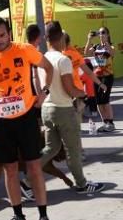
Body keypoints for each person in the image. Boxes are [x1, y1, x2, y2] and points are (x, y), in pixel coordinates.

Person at [0, 16, 58, 220]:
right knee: (9, 169)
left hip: (26, 116)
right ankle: (19, 216)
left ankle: (44, 217)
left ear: (9, 32)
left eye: (2, 35)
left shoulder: (24, 49)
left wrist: (43, 93)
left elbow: (48, 67)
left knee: (35, 167)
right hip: (1, 120)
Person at [40, 22, 106, 193]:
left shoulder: (42, 59)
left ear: (46, 39)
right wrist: (83, 94)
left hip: (47, 108)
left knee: (51, 148)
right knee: (73, 149)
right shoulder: (63, 60)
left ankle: (26, 181)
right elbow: (69, 89)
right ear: (61, 38)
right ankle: (82, 184)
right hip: (63, 108)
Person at [85, 27, 117, 133]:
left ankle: (111, 123)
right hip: (97, 76)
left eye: (103, 33)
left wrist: (106, 42)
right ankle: (105, 122)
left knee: (105, 99)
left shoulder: (110, 46)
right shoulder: (96, 46)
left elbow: (112, 53)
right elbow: (87, 53)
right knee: (98, 101)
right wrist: (89, 40)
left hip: (107, 76)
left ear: (108, 34)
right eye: (99, 33)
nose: (101, 35)